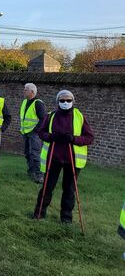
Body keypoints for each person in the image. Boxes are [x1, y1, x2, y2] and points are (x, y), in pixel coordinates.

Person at [33, 90, 94, 224]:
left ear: (73, 101)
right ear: (57, 102)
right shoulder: (51, 116)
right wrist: (51, 137)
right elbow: (41, 132)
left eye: (68, 100)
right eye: (62, 100)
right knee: (47, 187)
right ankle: (39, 214)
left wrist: (74, 139)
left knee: (69, 189)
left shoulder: (79, 116)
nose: (65, 103)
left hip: (72, 159)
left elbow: (89, 137)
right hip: (53, 158)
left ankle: (66, 219)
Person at [20, 83, 46, 184]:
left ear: (32, 92)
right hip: (26, 132)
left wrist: (35, 130)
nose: (23, 91)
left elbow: (43, 119)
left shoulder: (38, 103)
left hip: (34, 133)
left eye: (25, 90)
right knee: (27, 153)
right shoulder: (24, 102)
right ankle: (31, 172)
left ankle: (39, 175)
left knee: (35, 154)